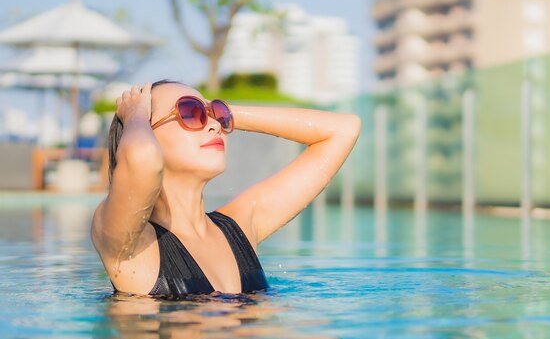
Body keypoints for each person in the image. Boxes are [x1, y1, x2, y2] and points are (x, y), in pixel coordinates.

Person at [91, 81, 361, 296]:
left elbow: (343, 129)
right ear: (147, 133)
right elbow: (142, 157)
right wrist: (134, 113)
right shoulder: (127, 242)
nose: (213, 125)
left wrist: (227, 113)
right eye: (189, 112)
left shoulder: (239, 226)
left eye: (214, 116)